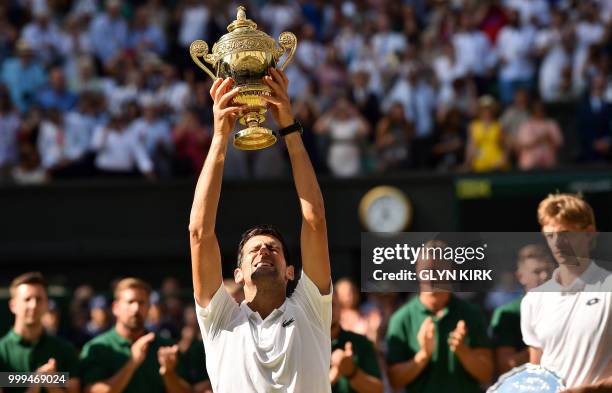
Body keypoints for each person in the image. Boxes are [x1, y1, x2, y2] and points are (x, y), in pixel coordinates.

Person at [189, 68, 332, 392]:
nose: (264, 251)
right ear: (237, 274)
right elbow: (199, 234)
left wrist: (289, 129)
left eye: (273, 249)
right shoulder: (220, 320)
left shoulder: (311, 308)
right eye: (254, 250)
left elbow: (315, 221)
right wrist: (219, 138)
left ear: (291, 272)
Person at [521, 194, 612, 392]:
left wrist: (589, 390)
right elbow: (535, 375)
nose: (558, 243)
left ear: (589, 233)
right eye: (550, 236)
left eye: (565, 234)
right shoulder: (533, 301)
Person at [386, 240, 493, 393]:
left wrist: (463, 351)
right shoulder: (401, 319)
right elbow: (394, 381)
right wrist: (423, 354)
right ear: (417, 270)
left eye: (437, 270)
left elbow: (486, 374)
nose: (430, 277)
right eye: (426, 270)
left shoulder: (471, 314)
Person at [78, 278, 191, 393]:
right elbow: (89, 390)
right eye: (130, 302)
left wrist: (169, 373)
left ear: (149, 308)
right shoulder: (97, 348)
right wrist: (132, 363)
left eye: (141, 303)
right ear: (115, 308)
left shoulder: (166, 347)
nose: (136, 308)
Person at [0, 272, 79, 393]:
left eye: (39, 299)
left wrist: (52, 386)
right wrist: (35, 384)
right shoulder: (2, 352)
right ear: (13, 305)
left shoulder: (65, 350)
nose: (33, 305)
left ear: (47, 304)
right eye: (27, 299)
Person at [489, 244, 555, 374]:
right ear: (520, 277)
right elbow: (505, 366)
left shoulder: (566, 306)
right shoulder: (509, 313)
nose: (545, 276)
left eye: (548, 270)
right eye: (537, 272)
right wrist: (540, 346)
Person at [330, 292, 383, 393]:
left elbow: (378, 389)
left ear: (341, 308)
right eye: (321, 305)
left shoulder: (361, 342)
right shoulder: (303, 344)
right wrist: (332, 377)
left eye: (332, 304)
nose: (328, 309)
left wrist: (352, 372)